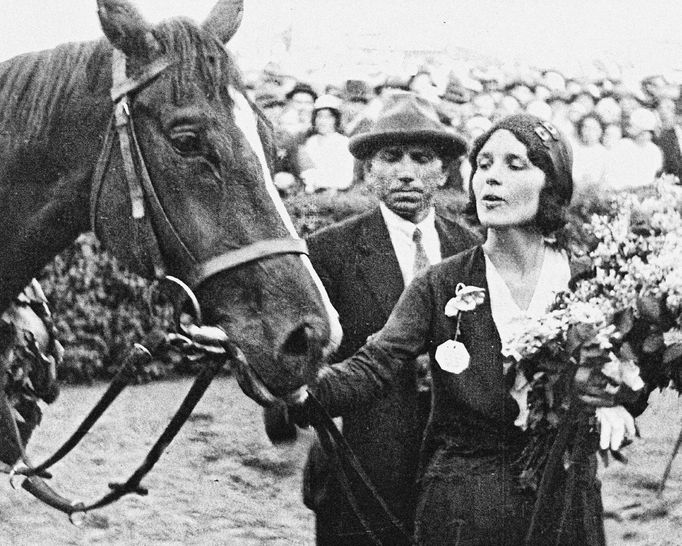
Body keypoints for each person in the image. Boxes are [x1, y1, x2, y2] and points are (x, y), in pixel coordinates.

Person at [288, 114, 638, 545]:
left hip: (565, 495)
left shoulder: (587, 279)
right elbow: (372, 367)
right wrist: (293, 386)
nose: (492, 178)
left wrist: (618, 398)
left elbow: (633, 368)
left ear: (552, 179)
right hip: (468, 502)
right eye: (485, 164)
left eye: (515, 164)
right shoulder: (440, 282)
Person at [268, 92, 478, 545]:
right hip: (359, 464)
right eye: (390, 157)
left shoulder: (472, 252)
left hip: (451, 466)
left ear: (443, 172)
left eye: (421, 158)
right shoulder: (329, 251)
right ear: (367, 170)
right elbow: (302, 362)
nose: (406, 171)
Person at [297, 94, 355, 194]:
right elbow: (305, 173)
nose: (323, 121)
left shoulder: (343, 142)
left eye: (328, 117)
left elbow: (346, 177)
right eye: (319, 116)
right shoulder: (310, 142)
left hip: (337, 193)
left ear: (336, 119)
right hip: (311, 193)